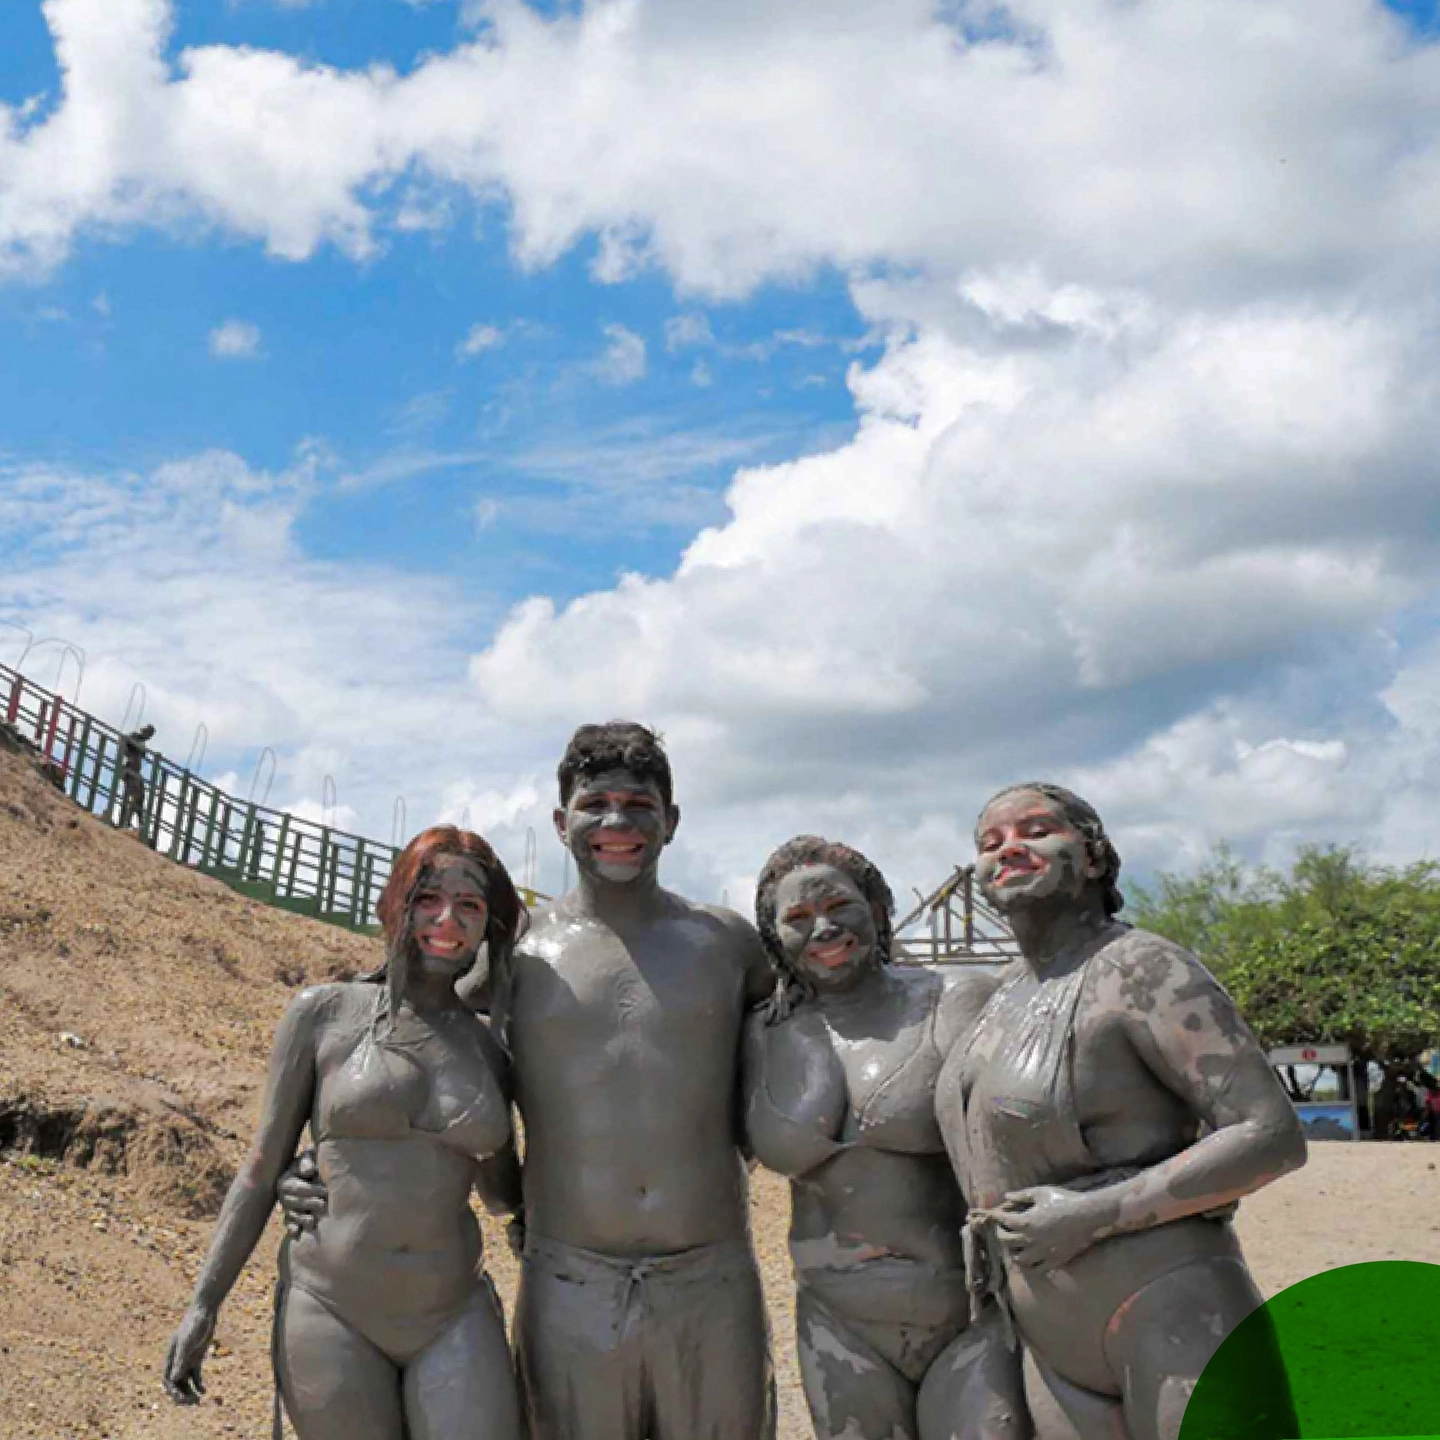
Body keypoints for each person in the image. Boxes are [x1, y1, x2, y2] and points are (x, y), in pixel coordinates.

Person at [281, 722, 778, 1440]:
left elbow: (808, 1031)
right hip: (570, 1275)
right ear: (559, 822)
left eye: (639, 805)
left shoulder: (729, 945)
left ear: (671, 821)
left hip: (713, 1270)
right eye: (594, 804)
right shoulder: (518, 957)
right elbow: (413, 1032)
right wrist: (322, 1156)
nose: (616, 822)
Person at [934, 783, 1307, 1440]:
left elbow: (1270, 1134)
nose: (1009, 849)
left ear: (1094, 857)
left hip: (1171, 1311)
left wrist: (1093, 1214)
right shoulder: (998, 997)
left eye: (1036, 831)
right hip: (1051, 1339)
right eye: (990, 842)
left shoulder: (1141, 969)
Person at [163, 826, 526, 1440]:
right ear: (397, 903)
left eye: (469, 905)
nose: (447, 920)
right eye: (428, 898)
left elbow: (501, 1195)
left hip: (452, 1311)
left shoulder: (491, 1049)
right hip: (331, 1309)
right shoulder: (324, 1014)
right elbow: (260, 1168)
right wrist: (204, 1304)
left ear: (487, 923)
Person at [745, 835, 1030, 1440]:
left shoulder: (954, 1000)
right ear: (774, 936)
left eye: (839, 906)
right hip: (836, 1322)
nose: (823, 927)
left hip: (966, 1313)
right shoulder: (760, 1034)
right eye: (797, 917)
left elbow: (1034, 1120)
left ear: (877, 910)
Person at [117, 723, 155, 830]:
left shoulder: (142, 742)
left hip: (136, 772)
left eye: (150, 735)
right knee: (135, 796)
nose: (148, 737)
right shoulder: (134, 736)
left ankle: (140, 822)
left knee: (141, 796)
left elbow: (143, 753)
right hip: (129, 769)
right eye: (148, 733)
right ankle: (127, 821)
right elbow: (123, 740)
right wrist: (133, 747)